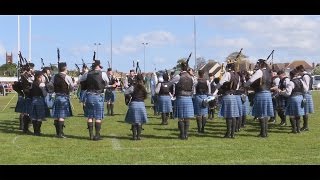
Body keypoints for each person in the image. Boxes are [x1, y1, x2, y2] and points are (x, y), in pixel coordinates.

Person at [244, 59, 274, 138]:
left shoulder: (259, 71)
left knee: (261, 113)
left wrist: (245, 85)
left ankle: (263, 133)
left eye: (257, 64)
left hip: (261, 93)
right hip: (268, 93)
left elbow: (251, 80)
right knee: (265, 114)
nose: (257, 65)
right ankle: (265, 132)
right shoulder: (269, 72)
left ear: (260, 64)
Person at [80, 60, 109, 140]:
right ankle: (97, 135)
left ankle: (91, 135)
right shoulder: (103, 74)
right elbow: (107, 82)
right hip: (98, 96)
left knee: (90, 116)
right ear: (98, 65)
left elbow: (81, 81)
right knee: (98, 117)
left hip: (89, 96)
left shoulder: (87, 74)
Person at [213, 61, 240, 138]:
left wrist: (216, 88)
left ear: (229, 67)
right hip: (234, 95)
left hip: (227, 95)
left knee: (228, 116)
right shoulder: (238, 75)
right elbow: (237, 87)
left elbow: (221, 83)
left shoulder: (227, 74)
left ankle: (228, 134)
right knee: (234, 115)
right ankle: (232, 134)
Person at [48, 62, 75, 138]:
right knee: (61, 116)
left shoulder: (54, 76)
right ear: (65, 68)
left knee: (57, 116)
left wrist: (53, 90)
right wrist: (69, 90)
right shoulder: (67, 77)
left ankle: (57, 133)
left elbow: (50, 85)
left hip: (57, 97)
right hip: (64, 97)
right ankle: (60, 134)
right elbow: (72, 87)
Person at [170, 61, 194, 140]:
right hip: (188, 98)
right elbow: (193, 88)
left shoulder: (178, 76)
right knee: (187, 118)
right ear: (187, 68)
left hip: (180, 97)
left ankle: (182, 134)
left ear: (181, 68)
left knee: (181, 118)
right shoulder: (191, 77)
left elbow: (170, 83)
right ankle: (186, 135)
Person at [278, 69, 308, 133]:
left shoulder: (291, 82)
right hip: (301, 98)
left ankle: (294, 130)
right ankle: (298, 129)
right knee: (298, 114)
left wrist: (281, 92)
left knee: (292, 114)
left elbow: (288, 93)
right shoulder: (301, 81)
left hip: (293, 98)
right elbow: (306, 89)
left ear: (291, 75)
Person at [124, 73, 148, 140]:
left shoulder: (133, 86)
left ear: (136, 79)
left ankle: (134, 136)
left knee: (134, 121)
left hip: (133, 104)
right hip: (141, 104)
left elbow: (125, 92)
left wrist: (130, 96)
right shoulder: (144, 87)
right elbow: (146, 96)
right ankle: (138, 137)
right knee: (139, 121)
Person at [30, 71, 50, 136]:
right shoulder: (41, 84)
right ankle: (37, 132)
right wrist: (44, 88)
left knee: (34, 116)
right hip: (39, 100)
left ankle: (35, 131)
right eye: (41, 76)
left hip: (33, 100)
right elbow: (44, 94)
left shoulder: (33, 83)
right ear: (39, 76)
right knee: (39, 116)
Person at [296, 65, 314, 131]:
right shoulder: (306, 75)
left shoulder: (305, 76)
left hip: (306, 94)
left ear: (300, 70)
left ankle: (305, 126)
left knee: (305, 110)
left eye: (298, 71)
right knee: (304, 110)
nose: (298, 73)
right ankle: (305, 126)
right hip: (306, 93)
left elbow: (306, 87)